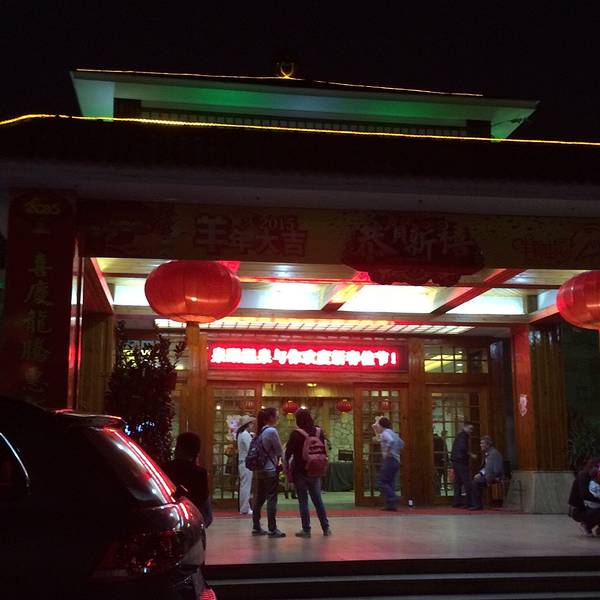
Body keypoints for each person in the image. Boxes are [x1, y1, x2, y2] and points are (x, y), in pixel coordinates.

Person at [284, 408, 331, 538]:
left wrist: (287, 469)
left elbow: (287, 453)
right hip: (315, 471)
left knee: (303, 501)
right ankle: (326, 527)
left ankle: (306, 529)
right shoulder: (319, 432)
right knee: (318, 500)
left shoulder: (296, 434)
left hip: (300, 471)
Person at [164, 432, 212, 527]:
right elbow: (206, 514)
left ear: (179, 448)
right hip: (193, 522)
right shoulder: (200, 473)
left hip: (169, 519)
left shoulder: (165, 468)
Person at [251, 407, 285, 538]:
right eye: (276, 415)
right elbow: (279, 451)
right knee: (271, 499)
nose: (278, 418)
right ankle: (272, 529)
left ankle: (256, 527)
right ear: (270, 418)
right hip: (270, 469)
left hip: (260, 469)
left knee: (259, 498)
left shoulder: (259, 432)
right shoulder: (271, 431)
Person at [372, 416, 405, 511]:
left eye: (378, 425)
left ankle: (393, 497)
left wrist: (389, 451)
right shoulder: (393, 433)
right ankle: (391, 505)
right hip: (396, 460)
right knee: (390, 483)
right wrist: (395, 451)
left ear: (381, 425)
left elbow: (391, 441)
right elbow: (402, 444)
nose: (377, 426)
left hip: (389, 460)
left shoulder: (385, 433)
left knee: (382, 482)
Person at [465, 435, 504, 511]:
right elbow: (486, 467)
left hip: (494, 476)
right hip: (488, 475)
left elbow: (497, 469)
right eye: (481, 443)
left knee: (475, 483)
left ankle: (477, 505)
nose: (481, 445)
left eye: (482, 443)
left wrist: (491, 477)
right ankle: (472, 503)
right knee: (471, 483)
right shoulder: (487, 453)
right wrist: (480, 474)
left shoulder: (494, 453)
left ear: (488, 444)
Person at [568, 457, 600, 536]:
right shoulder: (583, 476)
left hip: (591, 507)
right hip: (579, 510)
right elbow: (585, 495)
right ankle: (587, 525)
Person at [450, 421, 476, 508]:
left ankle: (456, 502)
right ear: (465, 427)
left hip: (456, 461)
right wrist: (470, 454)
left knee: (458, 483)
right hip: (461, 462)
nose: (471, 431)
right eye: (470, 428)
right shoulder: (463, 436)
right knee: (466, 481)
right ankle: (469, 502)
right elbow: (463, 447)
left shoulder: (460, 435)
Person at [236, 415, 255, 515]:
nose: (252, 425)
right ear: (247, 424)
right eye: (251, 423)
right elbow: (250, 449)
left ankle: (244, 507)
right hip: (246, 463)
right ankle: (244, 508)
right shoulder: (245, 435)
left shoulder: (241, 434)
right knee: (246, 486)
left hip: (242, 463)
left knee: (244, 486)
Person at [433, 431, 447, 496]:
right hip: (440, 463)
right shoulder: (440, 440)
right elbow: (445, 452)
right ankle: (438, 495)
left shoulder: (434, 440)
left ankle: (437, 494)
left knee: (437, 480)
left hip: (436, 463)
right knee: (438, 479)